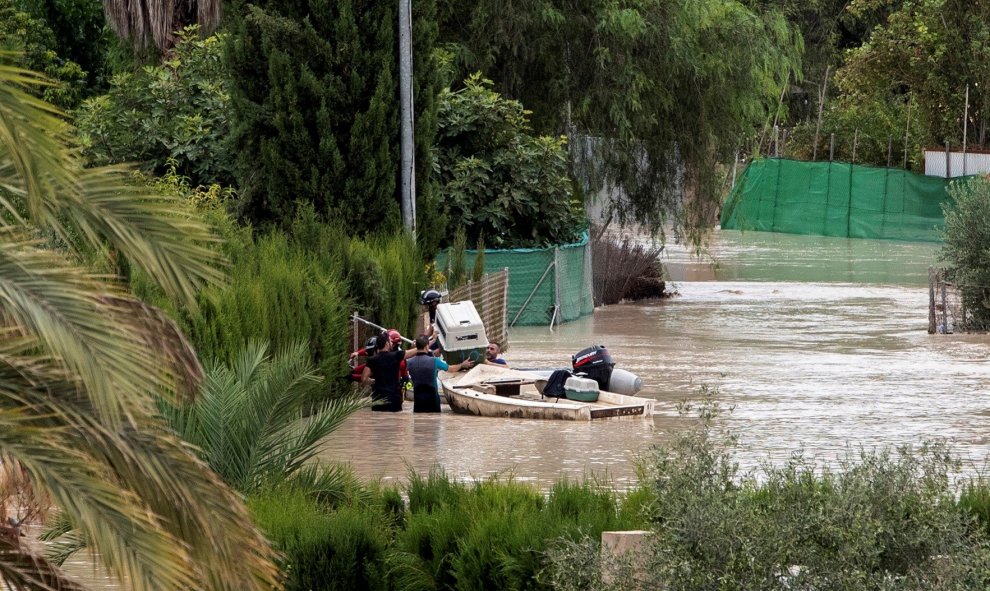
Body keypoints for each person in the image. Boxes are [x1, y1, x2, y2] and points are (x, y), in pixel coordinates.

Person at [406, 334, 473, 412]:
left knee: (418, 422)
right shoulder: (434, 361)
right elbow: (451, 369)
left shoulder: (409, 362)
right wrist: (462, 365)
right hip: (432, 400)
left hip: (418, 401)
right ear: (427, 346)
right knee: (434, 422)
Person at [362, 329, 418, 412]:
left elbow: (364, 379)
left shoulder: (371, 360)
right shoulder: (396, 356)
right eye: (390, 341)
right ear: (386, 344)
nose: (392, 343)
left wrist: (374, 381)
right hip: (394, 399)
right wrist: (416, 345)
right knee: (394, 423)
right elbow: (414, 352)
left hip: (378, 399)